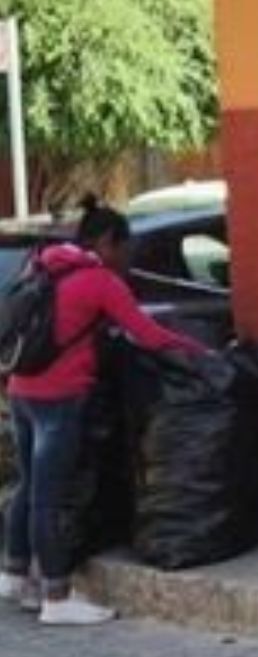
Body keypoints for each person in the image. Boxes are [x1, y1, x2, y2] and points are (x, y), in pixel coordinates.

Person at [0, 195, 208, 625]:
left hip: (21, 389)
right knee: (48, 499)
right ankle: (56, 595)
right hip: (59, 399)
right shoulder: (99, 281)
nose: (126, 257)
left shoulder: (42, 264)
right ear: (107, 242)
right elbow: (147, 334)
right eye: (124, 248)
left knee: (27, 486)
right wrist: (202, 352)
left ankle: (13, 574)